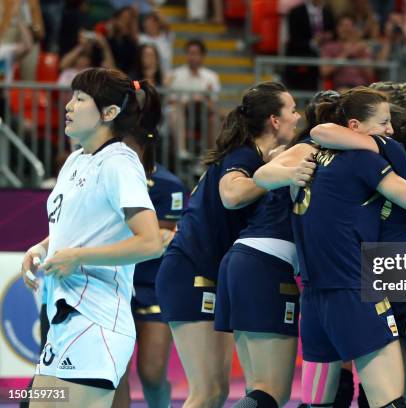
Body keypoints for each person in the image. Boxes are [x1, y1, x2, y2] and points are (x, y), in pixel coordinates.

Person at [254, 87, 406, 408]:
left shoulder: (309, 151)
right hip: (352, 288)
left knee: (316, 403)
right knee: (390, 401)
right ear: (354, 126)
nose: (388, 130)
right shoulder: (370, 156)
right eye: (382, 123)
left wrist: (291, 174)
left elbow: (263, 174)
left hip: (313, 295)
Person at [21, 67, 163, 407]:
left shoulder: (120, 163)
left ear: (109, 113)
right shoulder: (74, 161)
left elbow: (150, 242)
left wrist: (79, 257)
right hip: (63, 320)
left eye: (80, 99)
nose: (68, 106)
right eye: (71, 97)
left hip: (97, 323)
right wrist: (41, 247)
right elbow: (81, 224)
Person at [155, 82, 298, 408]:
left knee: (216, 393)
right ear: (274, 120)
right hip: (192, 272)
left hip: (203, 271)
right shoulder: (245, 156)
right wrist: (275, 175)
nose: (297, 116)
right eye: (292, 110)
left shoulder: (252, 156)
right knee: (206, 394)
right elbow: (231, 195)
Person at [112, 150, 188, 408]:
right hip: (113, 285)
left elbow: (168, 234)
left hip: (152, 285)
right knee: (116, 374)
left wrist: (169, 235)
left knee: (152, 374)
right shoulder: (105, 177)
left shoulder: (169, 186)